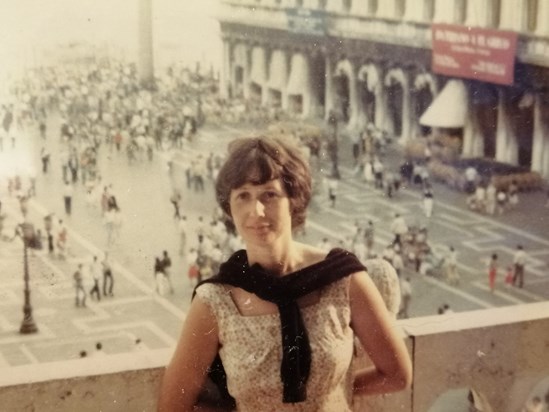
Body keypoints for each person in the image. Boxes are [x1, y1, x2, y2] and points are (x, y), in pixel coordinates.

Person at [157, 136, 412, 411]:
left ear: (294, 199)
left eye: (270, 194)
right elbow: (173, 406)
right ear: (229, 208)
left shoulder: (343, 279)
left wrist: (331, 395)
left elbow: (397, 375)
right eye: (243, 196)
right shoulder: (215, 301)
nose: (256, 210)